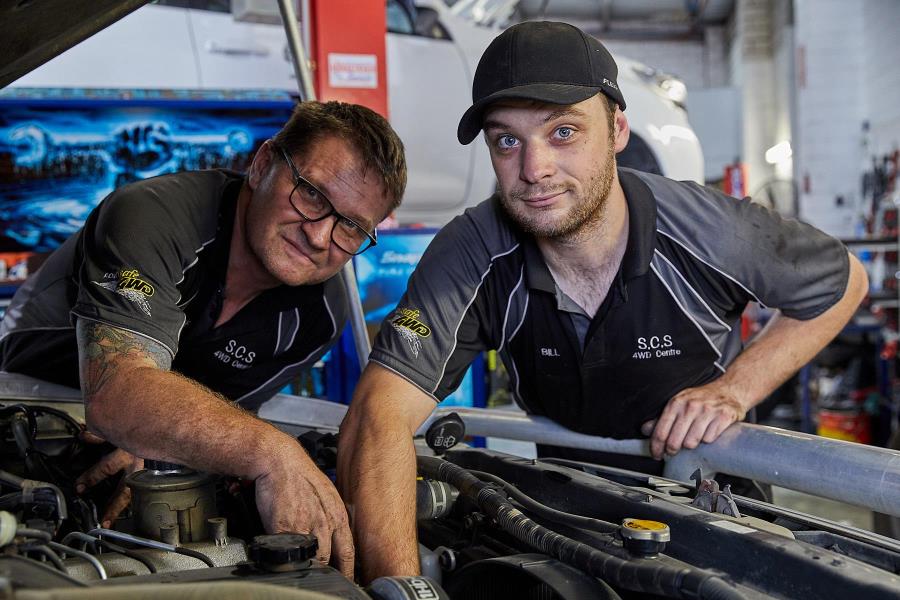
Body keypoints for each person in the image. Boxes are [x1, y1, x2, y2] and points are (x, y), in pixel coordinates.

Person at [336, 21, 869, 582]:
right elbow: (378, 415)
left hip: (714, 516)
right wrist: (405, 591)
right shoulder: (471, 252)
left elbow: (845, 282)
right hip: (562, 515)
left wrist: (733, 391)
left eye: (563, 132)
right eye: (507, 141)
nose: (534, 170)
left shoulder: (709, 229)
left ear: (616, 129)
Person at [0, 100, 407, 577]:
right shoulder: (151, 215)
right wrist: (277, 452)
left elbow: (223, 411)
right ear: (261, 165)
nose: (320, 236)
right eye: (312, 194)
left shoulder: (320, 315)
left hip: (139, 453)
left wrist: (156, 436)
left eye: (352, 226)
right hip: (22, 411)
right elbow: (117, 393)